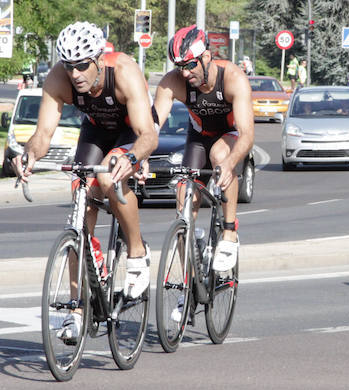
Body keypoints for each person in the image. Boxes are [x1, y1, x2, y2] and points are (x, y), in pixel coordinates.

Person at [14, 21, 157, 342]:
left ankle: (137, 251)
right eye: (69, 66)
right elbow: (43, 134)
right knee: (79, 207)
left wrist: (133, 158)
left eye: (81, 66)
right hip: (97, 129)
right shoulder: (58, 79)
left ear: (98, 59)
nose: (75, 74)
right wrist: (29, 156)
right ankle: (78, 309)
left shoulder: (123, 71)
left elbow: (148, 135)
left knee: (108, 174)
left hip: (132, 129)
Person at [154, 24, 255, 275]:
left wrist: (230, 164)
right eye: (179, 67)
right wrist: (139, 154)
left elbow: (247, 135)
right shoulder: (173, 82)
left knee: (220, 156)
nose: (185, 74)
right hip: (198, 138)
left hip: (229, 136)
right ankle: (188, 283)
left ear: (206, 57)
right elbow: (152, 125)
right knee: (183, 204)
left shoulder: (232, 78)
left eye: (190, 65)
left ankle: (229, 232)